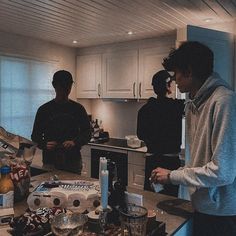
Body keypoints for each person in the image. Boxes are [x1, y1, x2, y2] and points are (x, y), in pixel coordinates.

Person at [151, 41, 236, 236]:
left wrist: (173, 177)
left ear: (188, 71)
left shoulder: (224, 101)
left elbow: (223, 172)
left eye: (176, 74)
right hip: (201, 207)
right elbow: (199, 160)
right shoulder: (192, 105)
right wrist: (174, 172)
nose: (175, 80)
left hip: (222, 214)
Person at [31, 70, 91, 174]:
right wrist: (44, 144)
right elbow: (35, 136)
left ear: (71, 86)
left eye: (68, 87)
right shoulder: (44, 110)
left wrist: (74, 142)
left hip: (73, 161)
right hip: (50, 162)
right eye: (62, 87)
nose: (65, 90)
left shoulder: (78, 109)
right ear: (54, 85)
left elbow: (87, 133)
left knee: (73, 189)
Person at [137, 70, 184, 196]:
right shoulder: (177, 107)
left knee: (151, 197)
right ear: (168, 86)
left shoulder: (145, 109)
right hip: (170, 161)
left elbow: (140, 135)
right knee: (170, 199)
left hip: (152, 160)